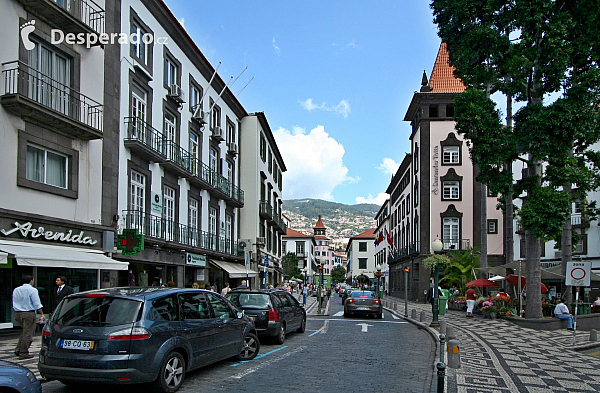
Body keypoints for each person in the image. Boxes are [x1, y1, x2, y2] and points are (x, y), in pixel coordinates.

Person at [12, 275, 44, 359]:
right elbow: (36, 303)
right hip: (28, 313)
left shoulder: (16, 289)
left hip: (18, 313)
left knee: (25, 331)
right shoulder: (32, 290)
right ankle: (23, 352)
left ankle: (18, 349)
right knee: (28, 333)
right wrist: (41, 313)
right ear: (31, 281)